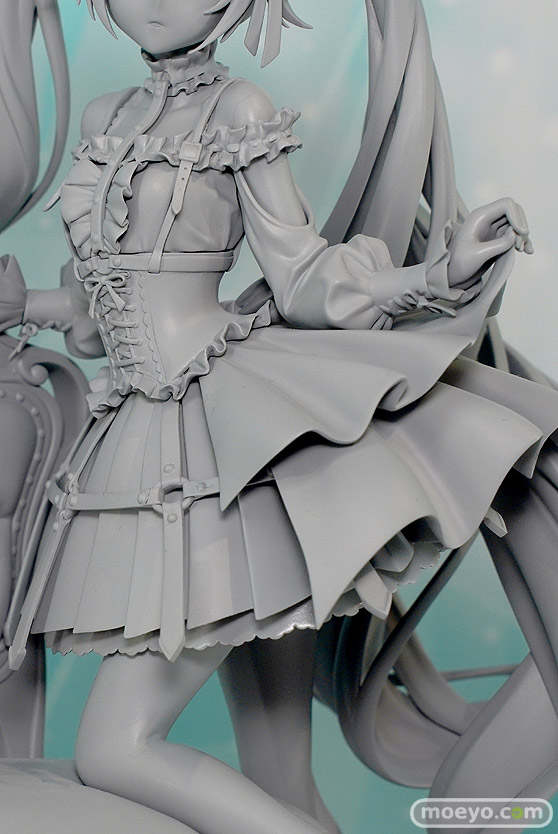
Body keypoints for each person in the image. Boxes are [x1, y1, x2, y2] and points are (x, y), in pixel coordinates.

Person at [4, 1, 558, 832]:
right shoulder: (105, 117)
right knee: (281, 785)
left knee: (115, 749)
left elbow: (302, 279)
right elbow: (98, 310)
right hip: (138, 447)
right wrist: (29, 306)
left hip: (228, 452)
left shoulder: (239, 108)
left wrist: (437, 275)